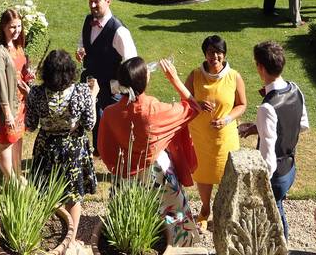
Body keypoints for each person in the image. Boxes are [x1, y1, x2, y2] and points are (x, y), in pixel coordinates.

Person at [98, 57, 201, 246]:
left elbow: (104, 150)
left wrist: (121, 167)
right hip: (158, 175)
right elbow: (193, 108)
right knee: (174, 220)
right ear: (144, 81)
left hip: (125, 177)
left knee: (130, 229)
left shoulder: (110, 112)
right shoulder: (154, 110)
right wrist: (174, 79)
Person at [25, 50, 98, 248]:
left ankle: (53, 242)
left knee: (48, 195)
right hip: (72, 150)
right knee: (73, 196)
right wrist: (94, 95)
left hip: (46, 149)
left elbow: (30, 125)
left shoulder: (36, 93)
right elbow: (90, 124)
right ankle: (70, 242)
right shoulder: (81, 91)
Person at [239, 42, 308, 241]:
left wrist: (261, 188)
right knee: (278, 208)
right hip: (290, 168)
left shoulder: (267, 108)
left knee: (275, 217)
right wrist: (259, 127)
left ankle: (282, 246)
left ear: (260, 67)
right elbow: (302, 124)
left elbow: (267, 157)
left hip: (275, 175)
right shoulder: (295, 90)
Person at [185, 36, 246, 229]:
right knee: (203, 175)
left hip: (225, 137)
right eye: (211, 52)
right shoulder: (195, 75)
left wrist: (227, 118)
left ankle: (227, 213)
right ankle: (205, 210)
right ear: (205, 54)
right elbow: (183, 100)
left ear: (224, 54)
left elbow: (242, 104)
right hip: (200, 137)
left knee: (227, 176)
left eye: (219, 52)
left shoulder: (234, 76)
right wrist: (197, 104)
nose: (215, 56)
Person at [76, 0, 137, 151]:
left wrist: (115, 86)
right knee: (94, 119)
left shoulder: (119, 32)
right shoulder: (88, 21)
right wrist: (80, 50)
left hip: (112, 90)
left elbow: (132, 65)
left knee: (114, 127)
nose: (93, 5)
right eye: (90, 2)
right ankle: (99, 150)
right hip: (91, 84)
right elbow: (82, 40)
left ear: (108, 1)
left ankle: (116, 158)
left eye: (97, 1)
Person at [0, 8, 33, 179]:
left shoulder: (18, 45)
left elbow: (19, 71)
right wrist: (7, 114)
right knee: (6, 143)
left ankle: (18, 173)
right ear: (3, 27)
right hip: (7, 106)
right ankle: (10, 179)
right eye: (12, 27)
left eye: (19, 26)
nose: (16, 30)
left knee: (18, 138)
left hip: (20, 103)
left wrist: (28, 75)